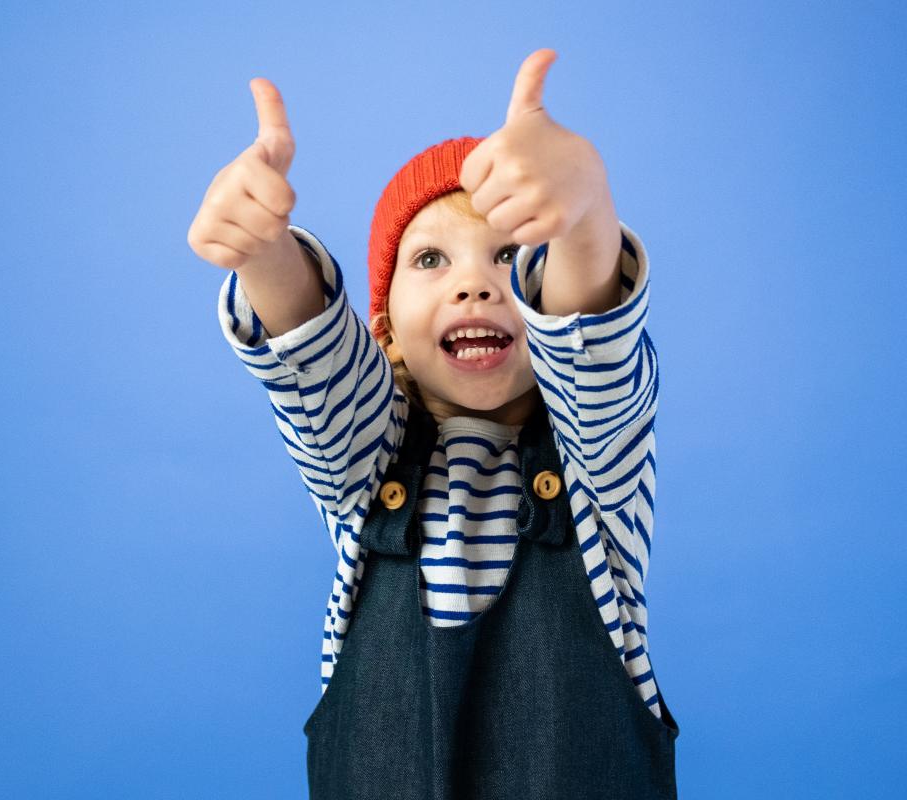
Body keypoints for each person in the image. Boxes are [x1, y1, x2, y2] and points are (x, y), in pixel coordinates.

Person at [188, 48, 679, 799]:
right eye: (429, 260)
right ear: (382, 329)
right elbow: (312, 364)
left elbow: (591, 344)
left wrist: (584, 213)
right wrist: (264, 253)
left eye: (509, 255)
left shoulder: (598, 473)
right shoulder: (362, 466)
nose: (475, 283)